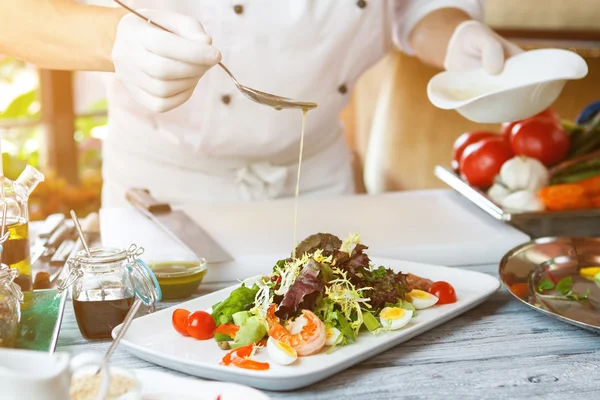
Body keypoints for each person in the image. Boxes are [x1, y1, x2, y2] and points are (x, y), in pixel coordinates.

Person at [0, 0, 521, 207]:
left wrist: (455, 35)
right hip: (165, 193)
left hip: (315, 181)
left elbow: (412, 7)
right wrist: (113, 39)